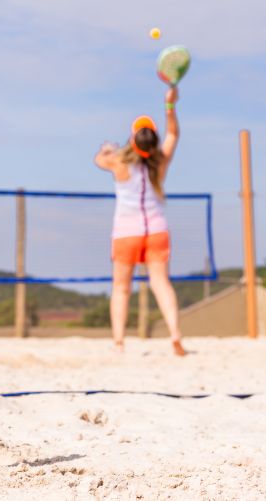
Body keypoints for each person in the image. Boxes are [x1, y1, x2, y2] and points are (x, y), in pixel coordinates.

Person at [93, 86, 185, 356]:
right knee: (161, 284)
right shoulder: (160, 163)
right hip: (156, 228)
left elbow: (99, 159)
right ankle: (175, 335)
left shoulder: (119, 163)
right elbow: (174, 134)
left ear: (133, 140)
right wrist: (170, 106)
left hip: (126, 231)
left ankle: (119, 342)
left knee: (121, 289)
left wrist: (108, 149)